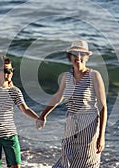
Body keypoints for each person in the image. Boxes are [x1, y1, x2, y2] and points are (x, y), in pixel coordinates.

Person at [36, 40, 107, 168]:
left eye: (82, 54)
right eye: (75, 54)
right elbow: (57, 97)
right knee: (64, 163)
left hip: (88, 128)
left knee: (86, 164)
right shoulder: (66, 76)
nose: (78, 57)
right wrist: (43, 115)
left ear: (87, 57)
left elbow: (103, 107)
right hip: (70, 126)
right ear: (70, 57)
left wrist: (101, 136)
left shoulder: (94, 76)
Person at [0, 55, 39, 168]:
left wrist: (38, 118)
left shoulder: (14, 91)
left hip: (10, 134)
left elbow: (25, 109)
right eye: (6, 70)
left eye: (11, 70)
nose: (9, 73)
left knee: (16, 165)